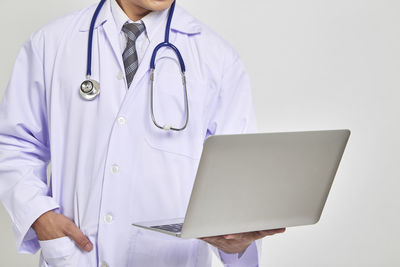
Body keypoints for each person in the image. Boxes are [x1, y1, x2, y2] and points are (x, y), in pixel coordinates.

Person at [0, 0, 285, 266]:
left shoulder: (218, 58)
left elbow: (235, 176)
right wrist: (39, 216)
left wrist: (235, 241)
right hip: (77, 254)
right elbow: (14, 143)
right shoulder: (51, 43)